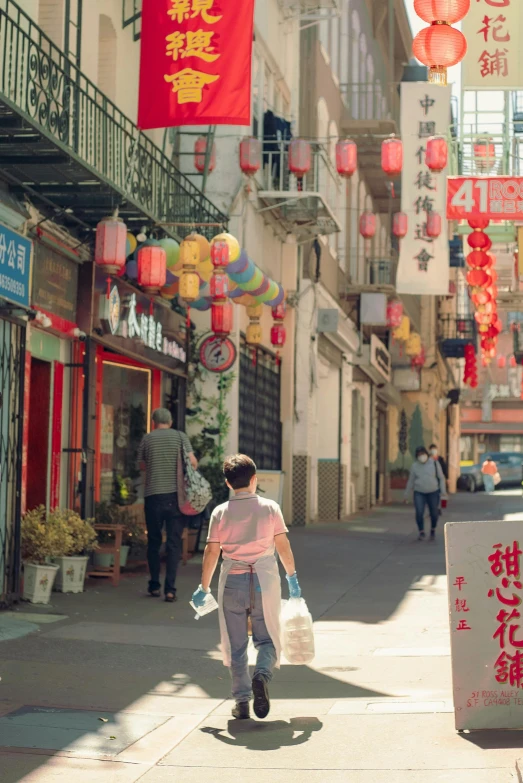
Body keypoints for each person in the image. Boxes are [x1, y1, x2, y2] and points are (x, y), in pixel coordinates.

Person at [192, 454, 301, 721]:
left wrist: (203, 587)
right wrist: (292, 578)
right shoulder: (270, 508)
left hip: (232, 583)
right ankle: (261, 676)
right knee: (268, 639)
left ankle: (242, 702)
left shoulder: (220, 512)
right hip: (265, 582)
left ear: (228, 484)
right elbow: (283, 546)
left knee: (236, 644)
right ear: (255, 480)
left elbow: (211, 551)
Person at [138, 408, 197, 602]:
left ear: (154, 422)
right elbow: (193, 463)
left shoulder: (147, 439)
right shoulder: (180, 437)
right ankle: (170, 589)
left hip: (153, 496)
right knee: (173, 543)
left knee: (154, 542)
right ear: (170, 421)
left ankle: (154, 585)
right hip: (175, 497)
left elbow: (142, 465)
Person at [404, 446, 447, 541]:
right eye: (419, 455)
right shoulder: (415, 466)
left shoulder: (435, 463)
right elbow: (411, 481)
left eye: (422, 454)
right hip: (419, 492)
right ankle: (421, 531)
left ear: (426, 454)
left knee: (434, 513)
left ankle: (433, 529)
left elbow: (441, 478)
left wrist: (443, 492)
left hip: (433, 492)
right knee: (419, 512)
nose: (421, 456)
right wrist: (406, 494)